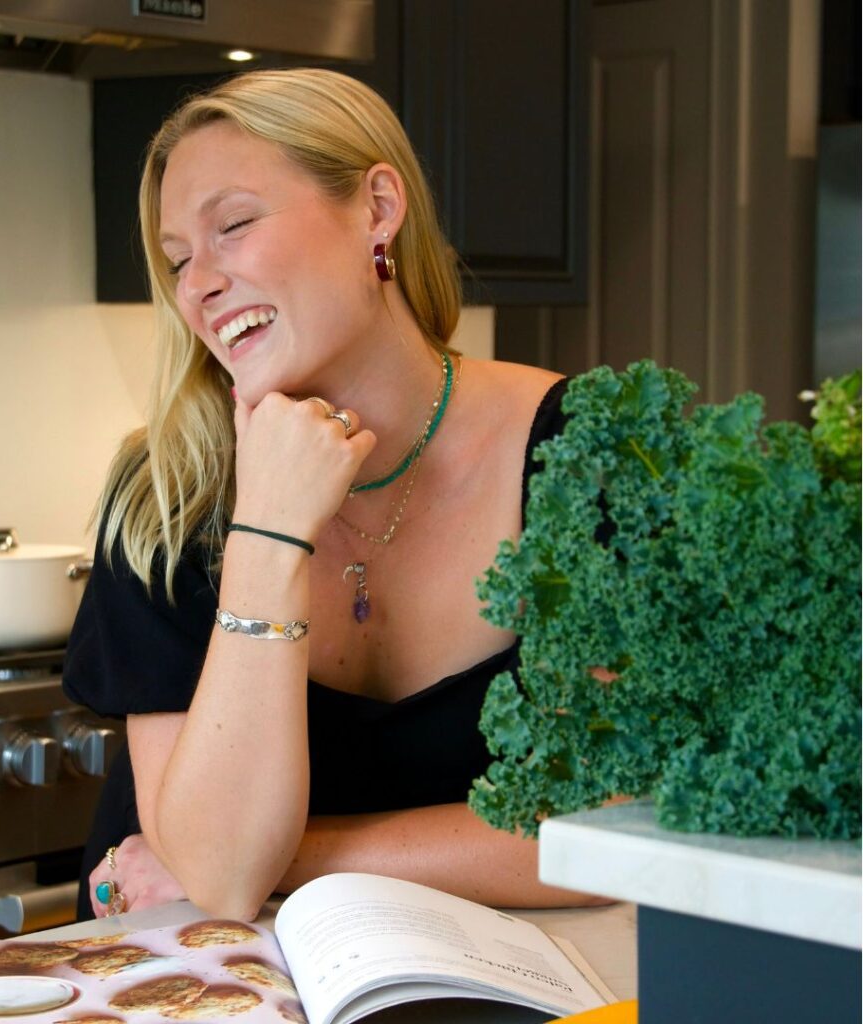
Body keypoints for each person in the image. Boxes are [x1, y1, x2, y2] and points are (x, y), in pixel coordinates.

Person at [63, 67, 604, 922]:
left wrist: (297, 855)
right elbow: (223, 882)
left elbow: (603, 833)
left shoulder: (584, 453)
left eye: (233, 226)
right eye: (176, 261)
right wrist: (270, 535)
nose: (196, 284)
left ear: (378, 209)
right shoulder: (164, 496)